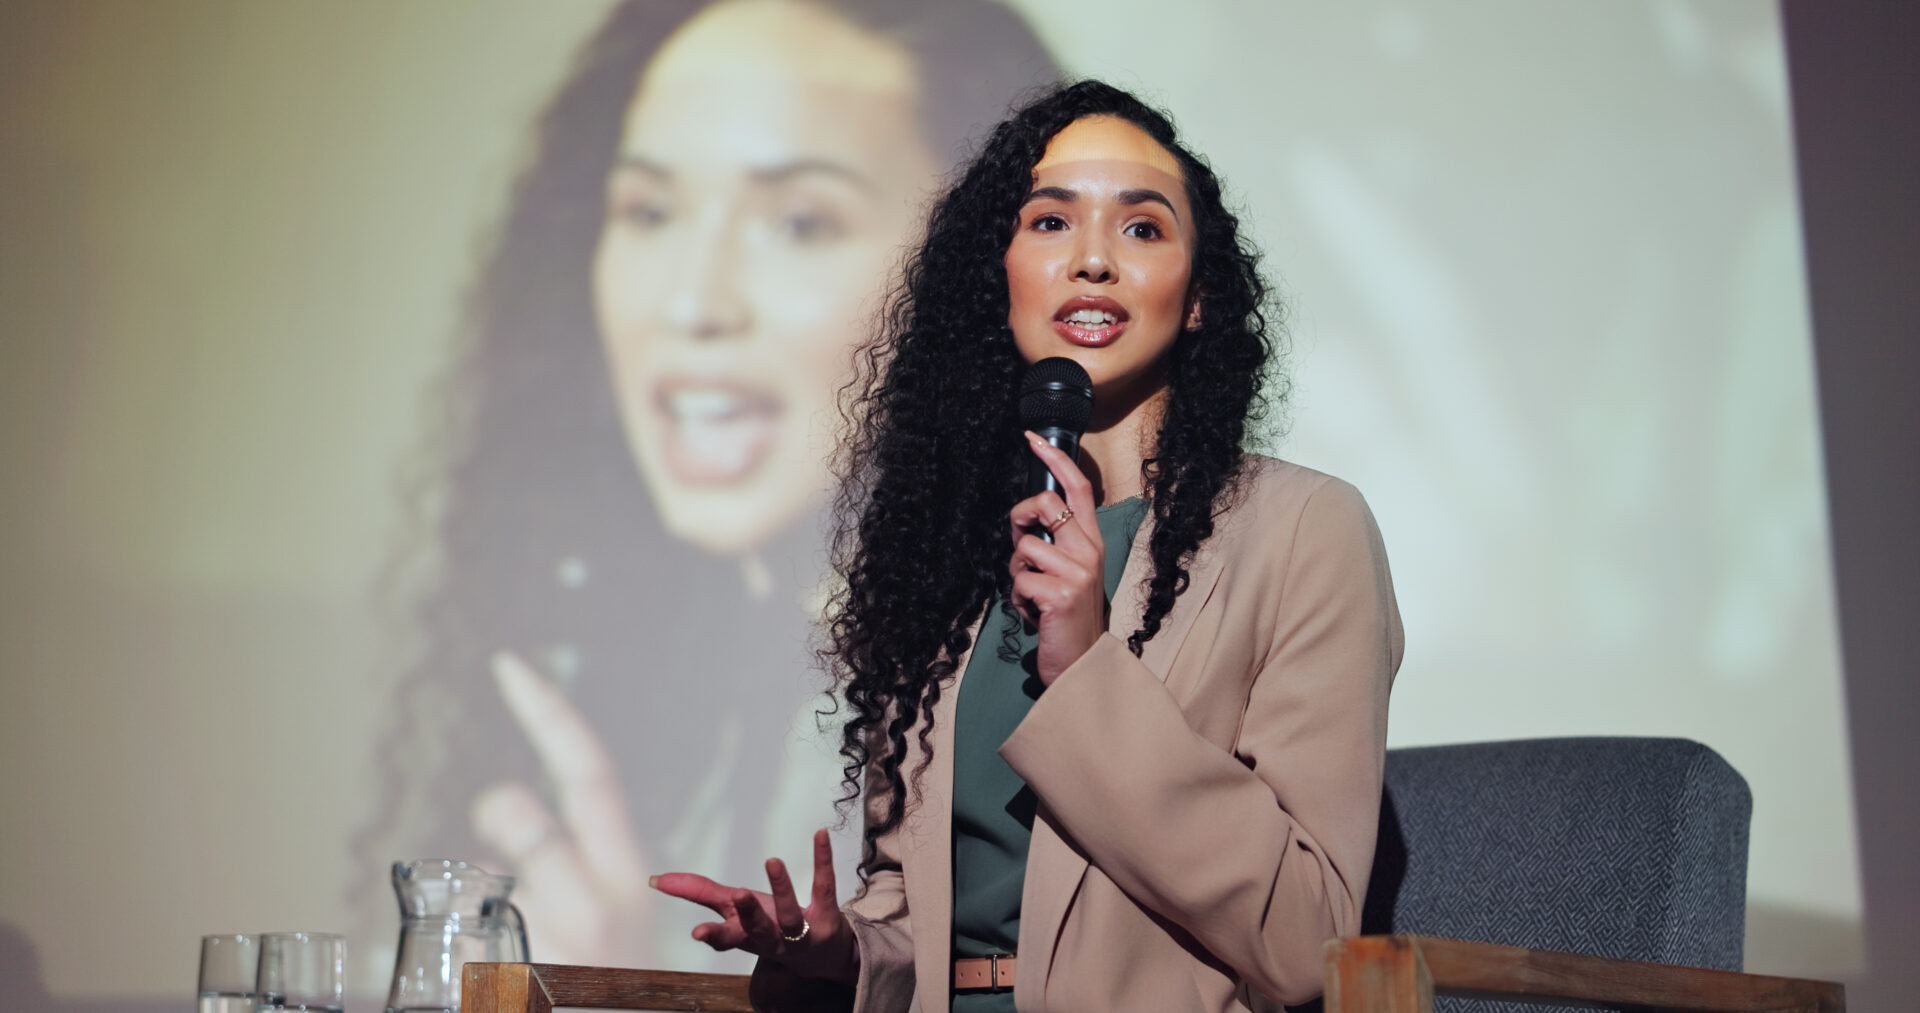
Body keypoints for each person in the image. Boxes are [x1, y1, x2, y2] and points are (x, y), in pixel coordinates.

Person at [653, 81, 1405, 1012]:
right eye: (1050, 222)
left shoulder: (1303, 530)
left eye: (1141, 229)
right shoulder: (955, 558)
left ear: (1201, 295)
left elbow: (1311, 940)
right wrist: (844, 954)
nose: (1092, 260)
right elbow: (922, 924)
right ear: (996, 275)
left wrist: (1086, 667)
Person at [360, 0, 1059, 973]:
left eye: (800, 221)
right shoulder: (685, 693)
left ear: (994, 273)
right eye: (648, 210)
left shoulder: (1040, 698)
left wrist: (608, 991)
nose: (691, 301)